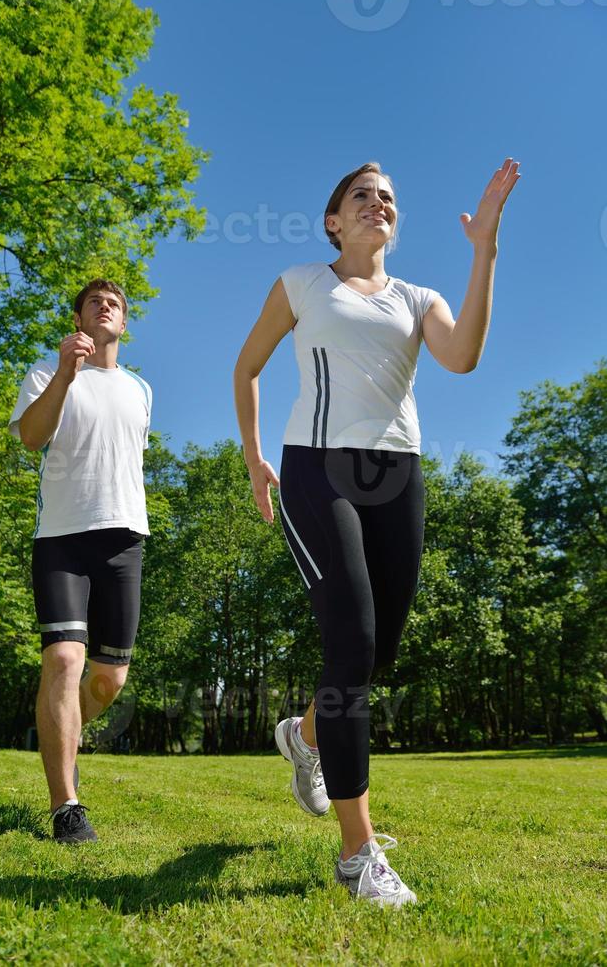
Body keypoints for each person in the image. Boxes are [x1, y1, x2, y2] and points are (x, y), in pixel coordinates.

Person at [234, 159, 520, 907]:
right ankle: (359, 855)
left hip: (396, 477)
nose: (376, 203)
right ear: (334, 220)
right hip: (316, 468)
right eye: (361, 195)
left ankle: (303, 734)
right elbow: (248, 365)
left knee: (377, 652)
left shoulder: (418, 297)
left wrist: (483, 249)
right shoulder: (302, 282)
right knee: (352, 643)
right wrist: (255, 458)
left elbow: (461, 359)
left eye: (387, 197)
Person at [9, 279, 152, 844]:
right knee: (66, 662)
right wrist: (67, 375)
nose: (105, 307)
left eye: (114, 303)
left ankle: (59, 732)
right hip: (63, 539)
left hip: (125, 542)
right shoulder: (48, 373)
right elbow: (31, 438)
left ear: (124, 321)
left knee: (110, 679)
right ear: (77, 318)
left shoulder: (141, 389)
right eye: (94, 301)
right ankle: (66, 806)